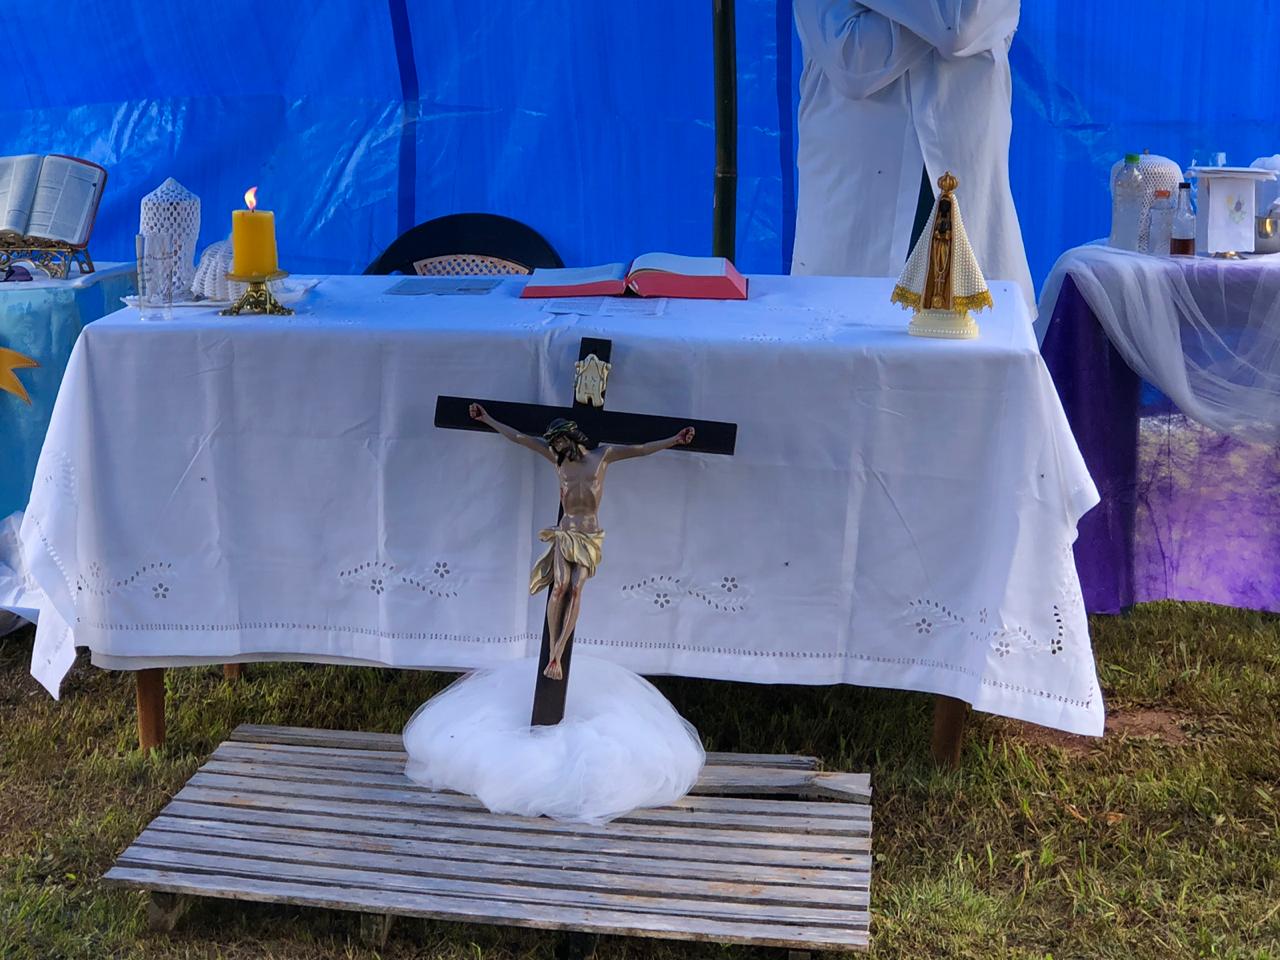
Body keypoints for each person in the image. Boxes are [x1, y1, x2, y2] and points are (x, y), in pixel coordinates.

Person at [791, 0, 1034, 312]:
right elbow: (854, 59)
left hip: (967, 207)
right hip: (855, 214)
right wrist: (932, 21)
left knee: (971, 335)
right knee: (841, 329)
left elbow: (958, 22)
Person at [468, 404, 695, 681]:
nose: (556, 446)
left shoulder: (603, 456)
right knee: (559, 587)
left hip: (589, 536)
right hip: (565, 532)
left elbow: (641, 449)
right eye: (553, 442)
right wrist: (487, 419)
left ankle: (558, 652)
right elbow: (520, 438)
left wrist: (674, 440)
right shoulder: (557, 459)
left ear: (571, 436)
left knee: (576, 589)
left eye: (559, 440)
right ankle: (552, 651)